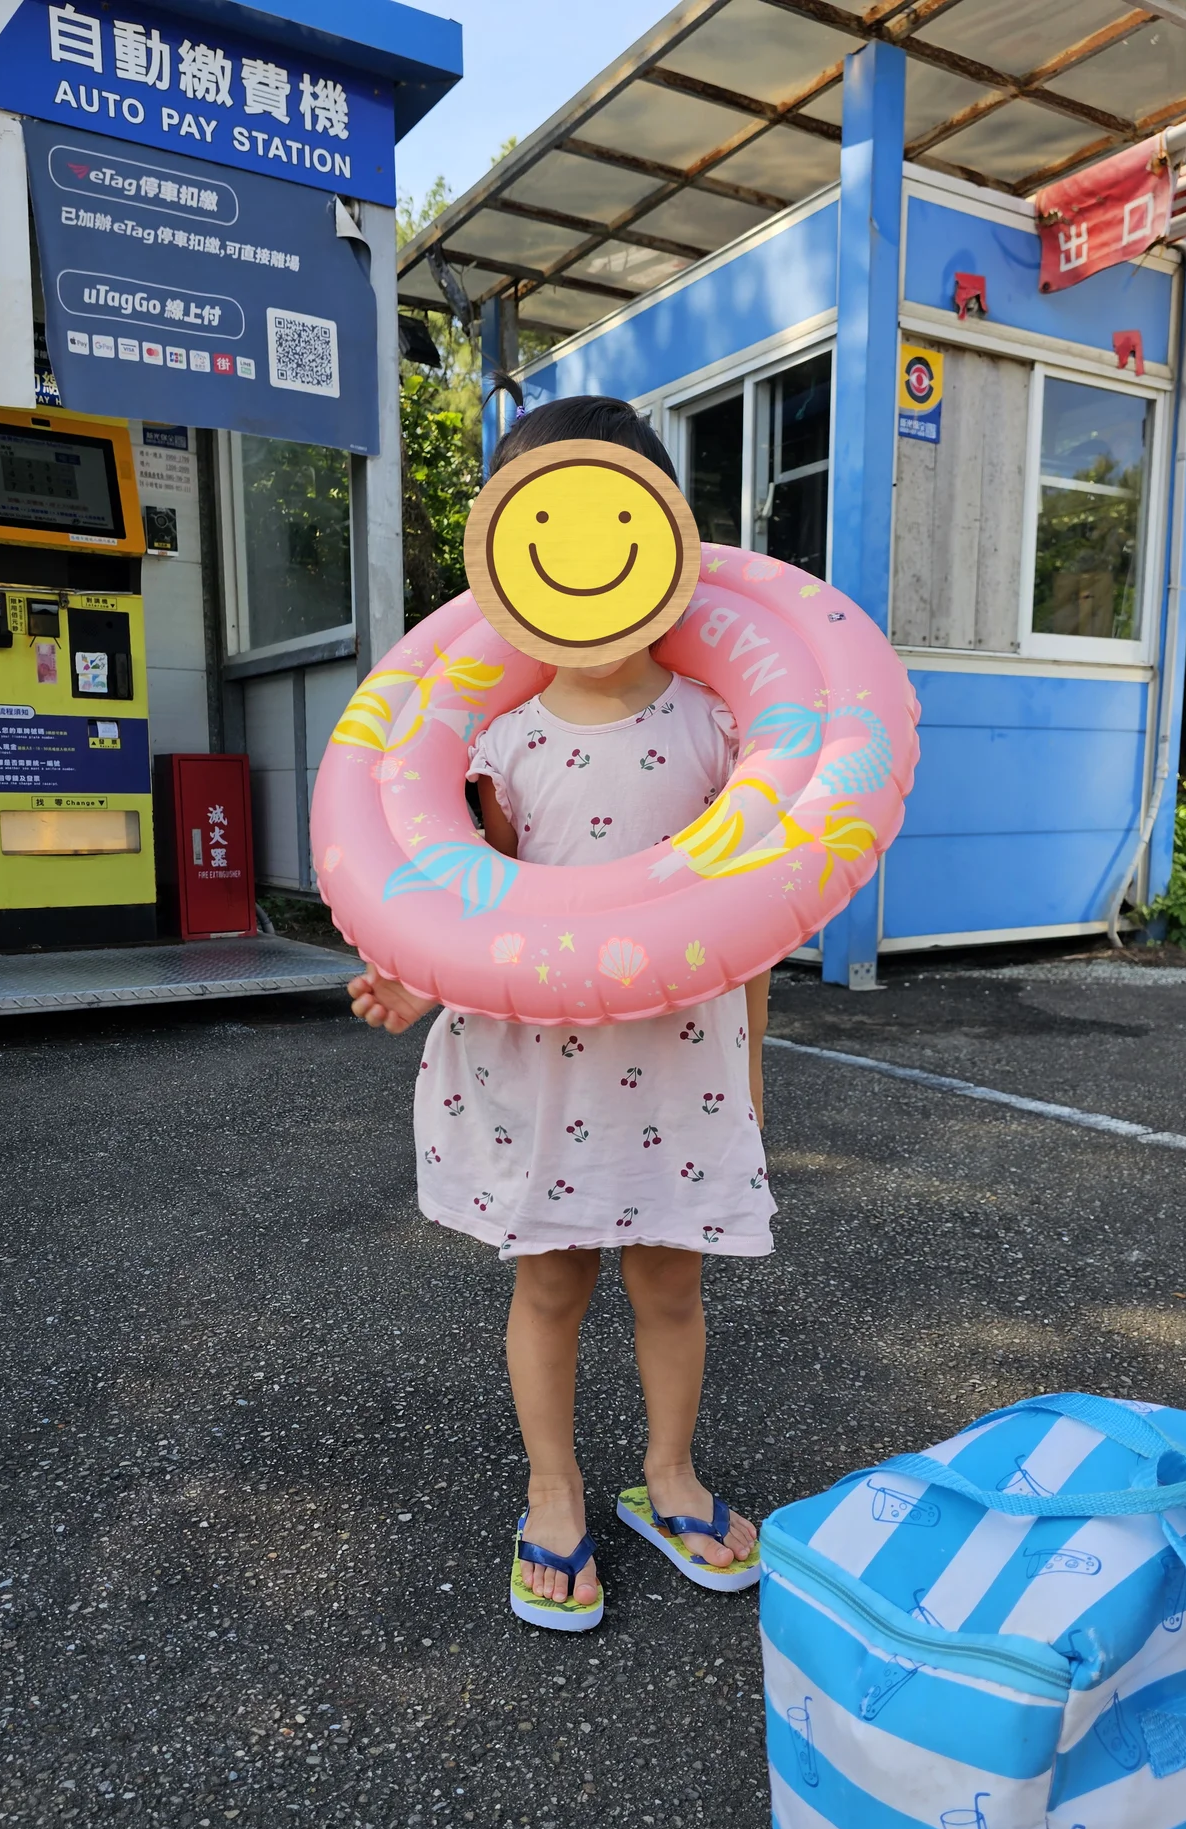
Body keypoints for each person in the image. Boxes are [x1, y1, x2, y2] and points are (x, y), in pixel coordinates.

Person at [349, 387, 773, 1632]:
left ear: (662, 536)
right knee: (549, 1288)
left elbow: (752, 914)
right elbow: (466, 900)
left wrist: (751, 1069)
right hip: (544, 1070)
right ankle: (555, 1487)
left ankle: (671, 1473)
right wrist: (409, 977)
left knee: (671, 1287)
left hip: (676, 1066)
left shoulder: (723, 726)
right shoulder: (498, 738)